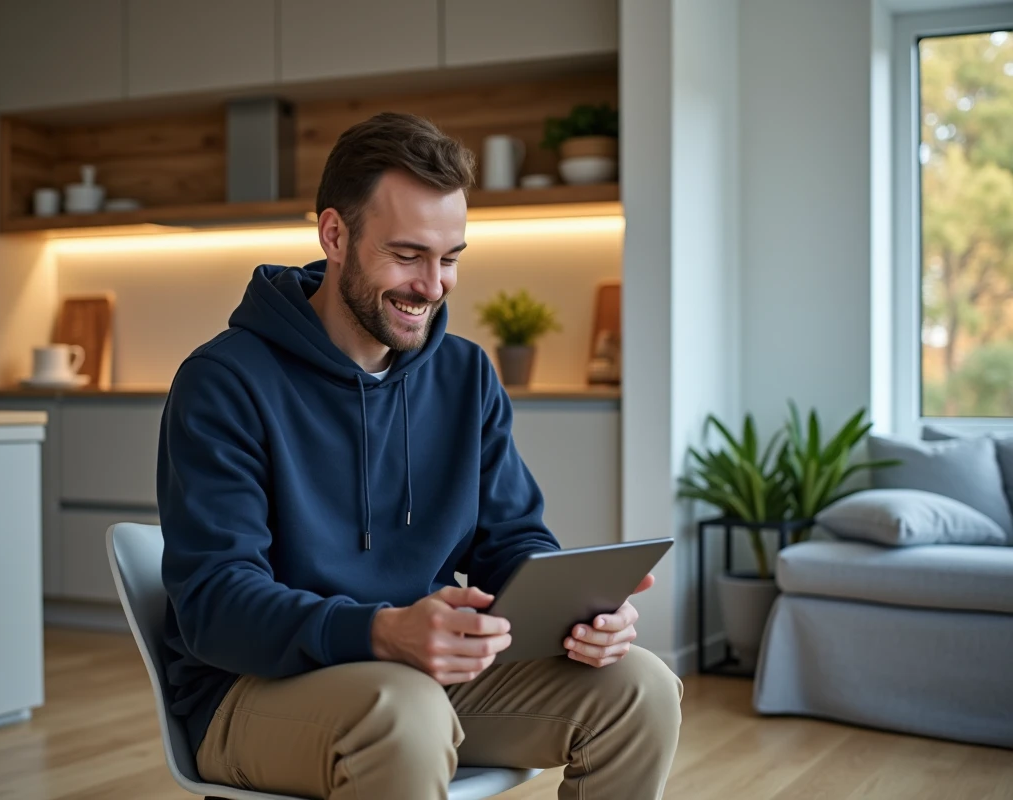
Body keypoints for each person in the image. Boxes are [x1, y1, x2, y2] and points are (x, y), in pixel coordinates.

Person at [156, 112, 682, 800]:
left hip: (422, 677)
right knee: (405, 714)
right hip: (252, 691)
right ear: (334, 234)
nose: (433, 287)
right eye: (408, 256)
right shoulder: (225, 381)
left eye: (451, 258)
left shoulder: (464, 375)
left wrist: (576, 614)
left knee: (640, 688)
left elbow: (511, 540)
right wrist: (379, 631)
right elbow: (215, 605)